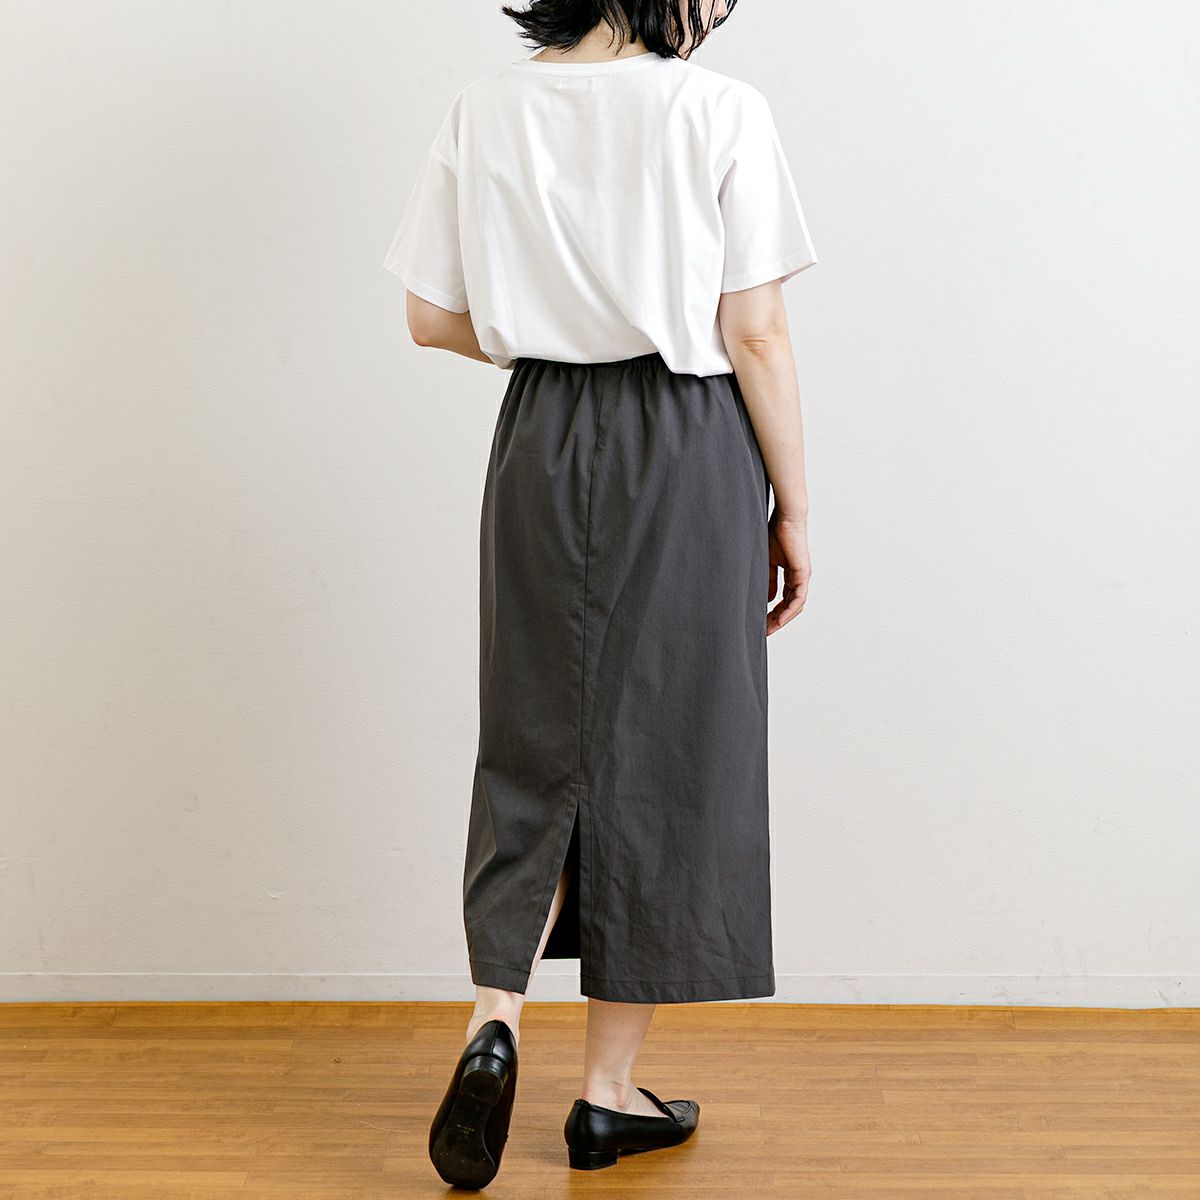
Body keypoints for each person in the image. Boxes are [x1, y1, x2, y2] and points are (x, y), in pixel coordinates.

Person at [382, 0, 817, 1186]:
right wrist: (792, 505)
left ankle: (494, 1023)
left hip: (540, 438)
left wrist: (545, 324)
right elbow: (757, 332)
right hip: (685, 439)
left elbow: (428, 317)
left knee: (535, 738)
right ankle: (605, 1099)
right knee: (664, 752)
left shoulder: (484, 109)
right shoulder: (719, 110)